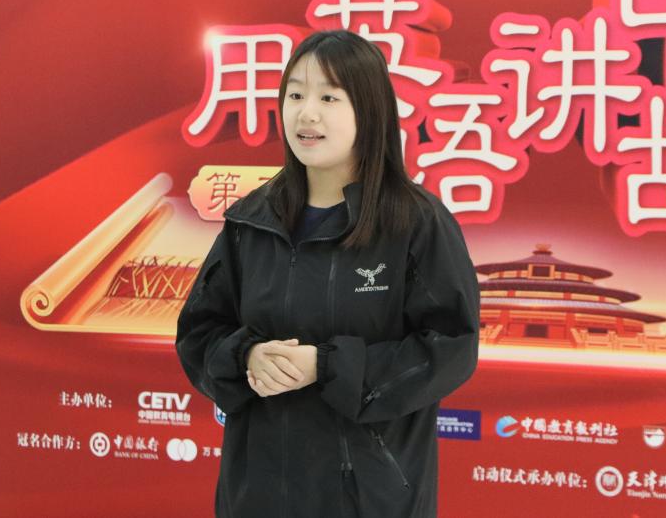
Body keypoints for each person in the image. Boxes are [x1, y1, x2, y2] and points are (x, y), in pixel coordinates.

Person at [175, 29, 480, 518]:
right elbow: (199, 333)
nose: (307, 114)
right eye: (295, 95)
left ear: (369, 110)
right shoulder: (252, 220)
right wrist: (247, 355)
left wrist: (328, 366)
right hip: (258, 495)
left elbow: (451, 347)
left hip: (371, 499)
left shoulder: (414, 222)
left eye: (329, 98)